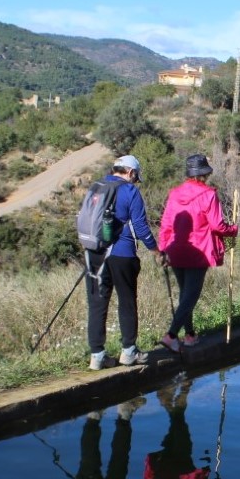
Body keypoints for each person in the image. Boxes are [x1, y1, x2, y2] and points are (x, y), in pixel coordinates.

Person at [85, 154, 160, 370]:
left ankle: (97, 356)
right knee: (127, 301)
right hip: (122, 254)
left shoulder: (95, 188)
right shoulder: (130, 191)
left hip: (94, 253)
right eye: (135, 177)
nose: (135, 180)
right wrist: (155, 250)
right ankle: (129, 352)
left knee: (97, 304)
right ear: (130, 172)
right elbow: (141, 227)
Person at [157, 154, 238, 352]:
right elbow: (217, 225)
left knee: (185, 295)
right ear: (205, 173)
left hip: (175, 250)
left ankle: (190, 335)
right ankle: (171, 336)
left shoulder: (174, 194)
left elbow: (166, 224)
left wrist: (163, 249)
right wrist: (233, 229)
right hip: (199, 251)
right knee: (190, 296)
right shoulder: (209, 195)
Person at [143, 380, 213, 479]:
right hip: (169, 467)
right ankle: (171, 397)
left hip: (179, 467)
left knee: (179, 423)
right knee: (178, 425)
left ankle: (179, 393)